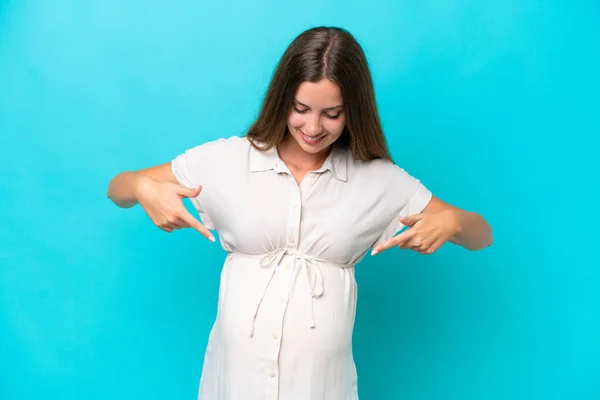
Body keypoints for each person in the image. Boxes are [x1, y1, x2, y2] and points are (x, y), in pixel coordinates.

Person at [107, 26, 492, 400]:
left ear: (353, 111)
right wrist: (143, 189)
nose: (312, 127)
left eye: (332, 114)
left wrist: (453, 222)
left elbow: (482, 234)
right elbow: (118, 188)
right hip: (235, 384)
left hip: (321, 388)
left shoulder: (379, 180)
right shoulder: (227, 159)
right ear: (282, 99)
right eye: (301, 108)